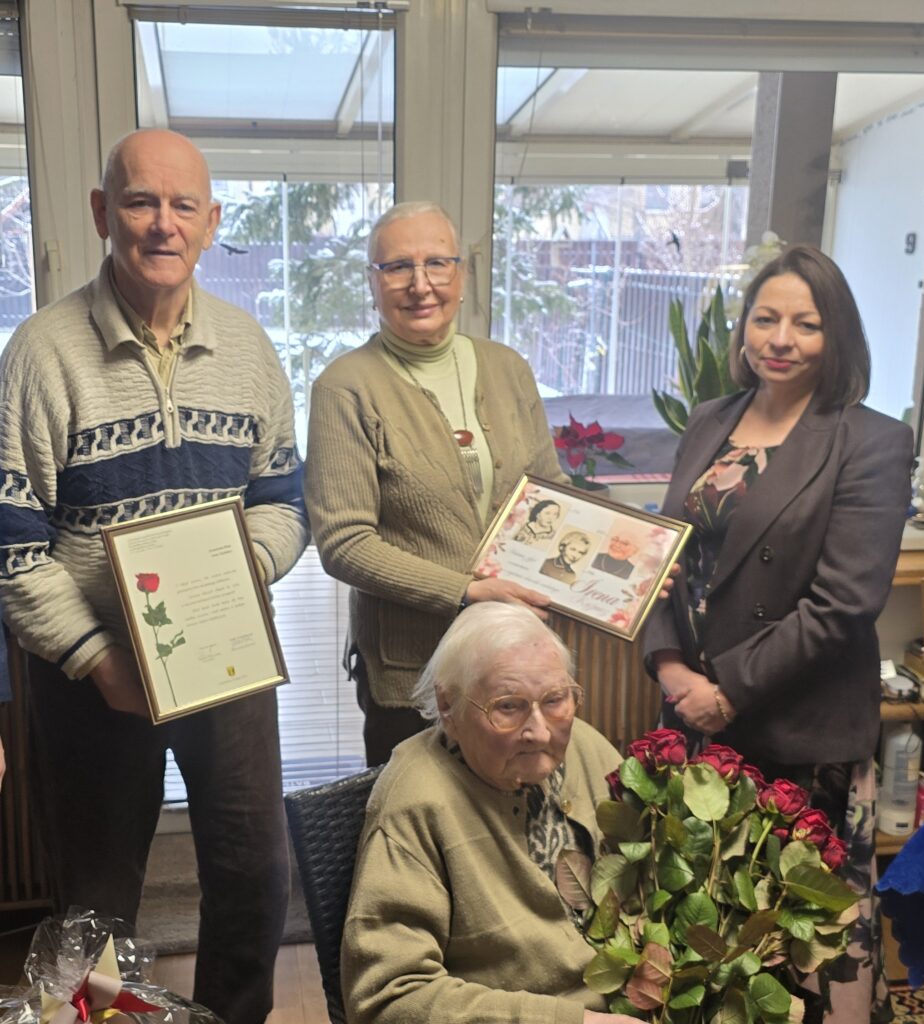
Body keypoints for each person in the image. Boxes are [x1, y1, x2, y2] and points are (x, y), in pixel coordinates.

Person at [0, 129, 308, 1024]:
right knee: (95, 901)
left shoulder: (250, 349)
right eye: (140, 202)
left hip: (224, 662)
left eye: (183, 207)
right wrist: (99, 658)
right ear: (104, 214)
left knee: (256, 874)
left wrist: (233, 577)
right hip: (88, 676)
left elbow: (284, 505)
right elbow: (13, 546)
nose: (161, 225)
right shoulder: (42, 353)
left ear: (213, 223)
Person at [643, 244, 913, 1022]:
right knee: (704, 934)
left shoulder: (871, 441)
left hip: (795, 731)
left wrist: (725, 688)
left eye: (806, 323)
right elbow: (662, 557)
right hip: (691, 721)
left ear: (839, 338)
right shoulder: (709, 420)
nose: (780, 338)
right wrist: (669, 667)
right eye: (766, 318)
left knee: (801, 946)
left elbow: (843, 602)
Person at [306, 201, 567, 766]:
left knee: (515, 827)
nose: (420, 285)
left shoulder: (508, 368)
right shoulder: (345, 388)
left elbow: (549, 494)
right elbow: (344, 544)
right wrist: (464, 591)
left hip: (516, 662)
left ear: (463, 276)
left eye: (437, 264)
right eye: (397, 267)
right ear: (372, 284)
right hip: (414, 675)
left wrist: (623, 582)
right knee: (414, 831)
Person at [341, 601, 637, 1024]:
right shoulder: (416, 800)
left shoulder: (586, 746)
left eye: (555, 699)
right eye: (508, 707)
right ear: (448, 705)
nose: (539, 731)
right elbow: (387, 1000)